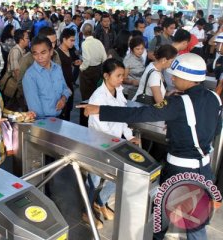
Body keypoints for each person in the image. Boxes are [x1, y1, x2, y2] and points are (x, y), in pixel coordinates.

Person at [78, 53, 222, 240]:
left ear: (187, 78)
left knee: (164, 214)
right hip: (203, 169)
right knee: (195, 222)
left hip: (179, 170)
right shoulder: (214, 98)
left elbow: (141, 114)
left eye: (176, 75)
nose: (172, 78)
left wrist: (99, 109)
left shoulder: (178, 103)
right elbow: (216, 129)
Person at [83, 59, 139, 229]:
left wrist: (129, 137)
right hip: (99, 143)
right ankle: (87, 211)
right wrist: (118, 142)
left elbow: (123, 116)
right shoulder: (98, 97)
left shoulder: (118, 91)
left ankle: (101, 202)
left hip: (116, 143)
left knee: (118, 177)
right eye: (118, 76)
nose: (122, 79)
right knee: (95, 178)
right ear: (106, 76)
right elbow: (101, 128)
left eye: (123, 75)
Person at [22, 36, 71, 118]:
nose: (39, 57)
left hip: (59, 117)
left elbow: (65, 89)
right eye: (35, 54)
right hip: (43, 122)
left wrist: (63, 99)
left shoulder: (57, 68)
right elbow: (35, 109)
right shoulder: (30, 76)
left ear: (51, 52)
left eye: (43, 53)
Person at [79, 23, 107, 126]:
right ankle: (95, 121)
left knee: (86, 98)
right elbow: (104, 58)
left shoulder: (84, 44)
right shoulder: (98, 42)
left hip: (87, 71)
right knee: (96, 97)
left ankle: (85, 122)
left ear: (82, 33)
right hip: (98, 71)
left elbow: (87, 60)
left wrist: (81, 68)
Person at [0, 29, 29, 109]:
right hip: (14, 86)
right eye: (27, 38)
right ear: (21, 40)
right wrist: (22, 87)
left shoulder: (23, 50)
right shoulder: (16, 51)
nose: (28, 40)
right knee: (13, 107)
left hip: (17, 87)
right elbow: (16, 71)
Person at [57, 28, 81, 121]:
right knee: (62, 111)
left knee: (69, 110)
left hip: (70, 85)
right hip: (61, 87)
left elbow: (74, 60)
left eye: (74, 40)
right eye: (71, 40)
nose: (73, 43)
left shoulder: (71, 50)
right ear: (64, 39)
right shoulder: (57, 53)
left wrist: (75, 63)